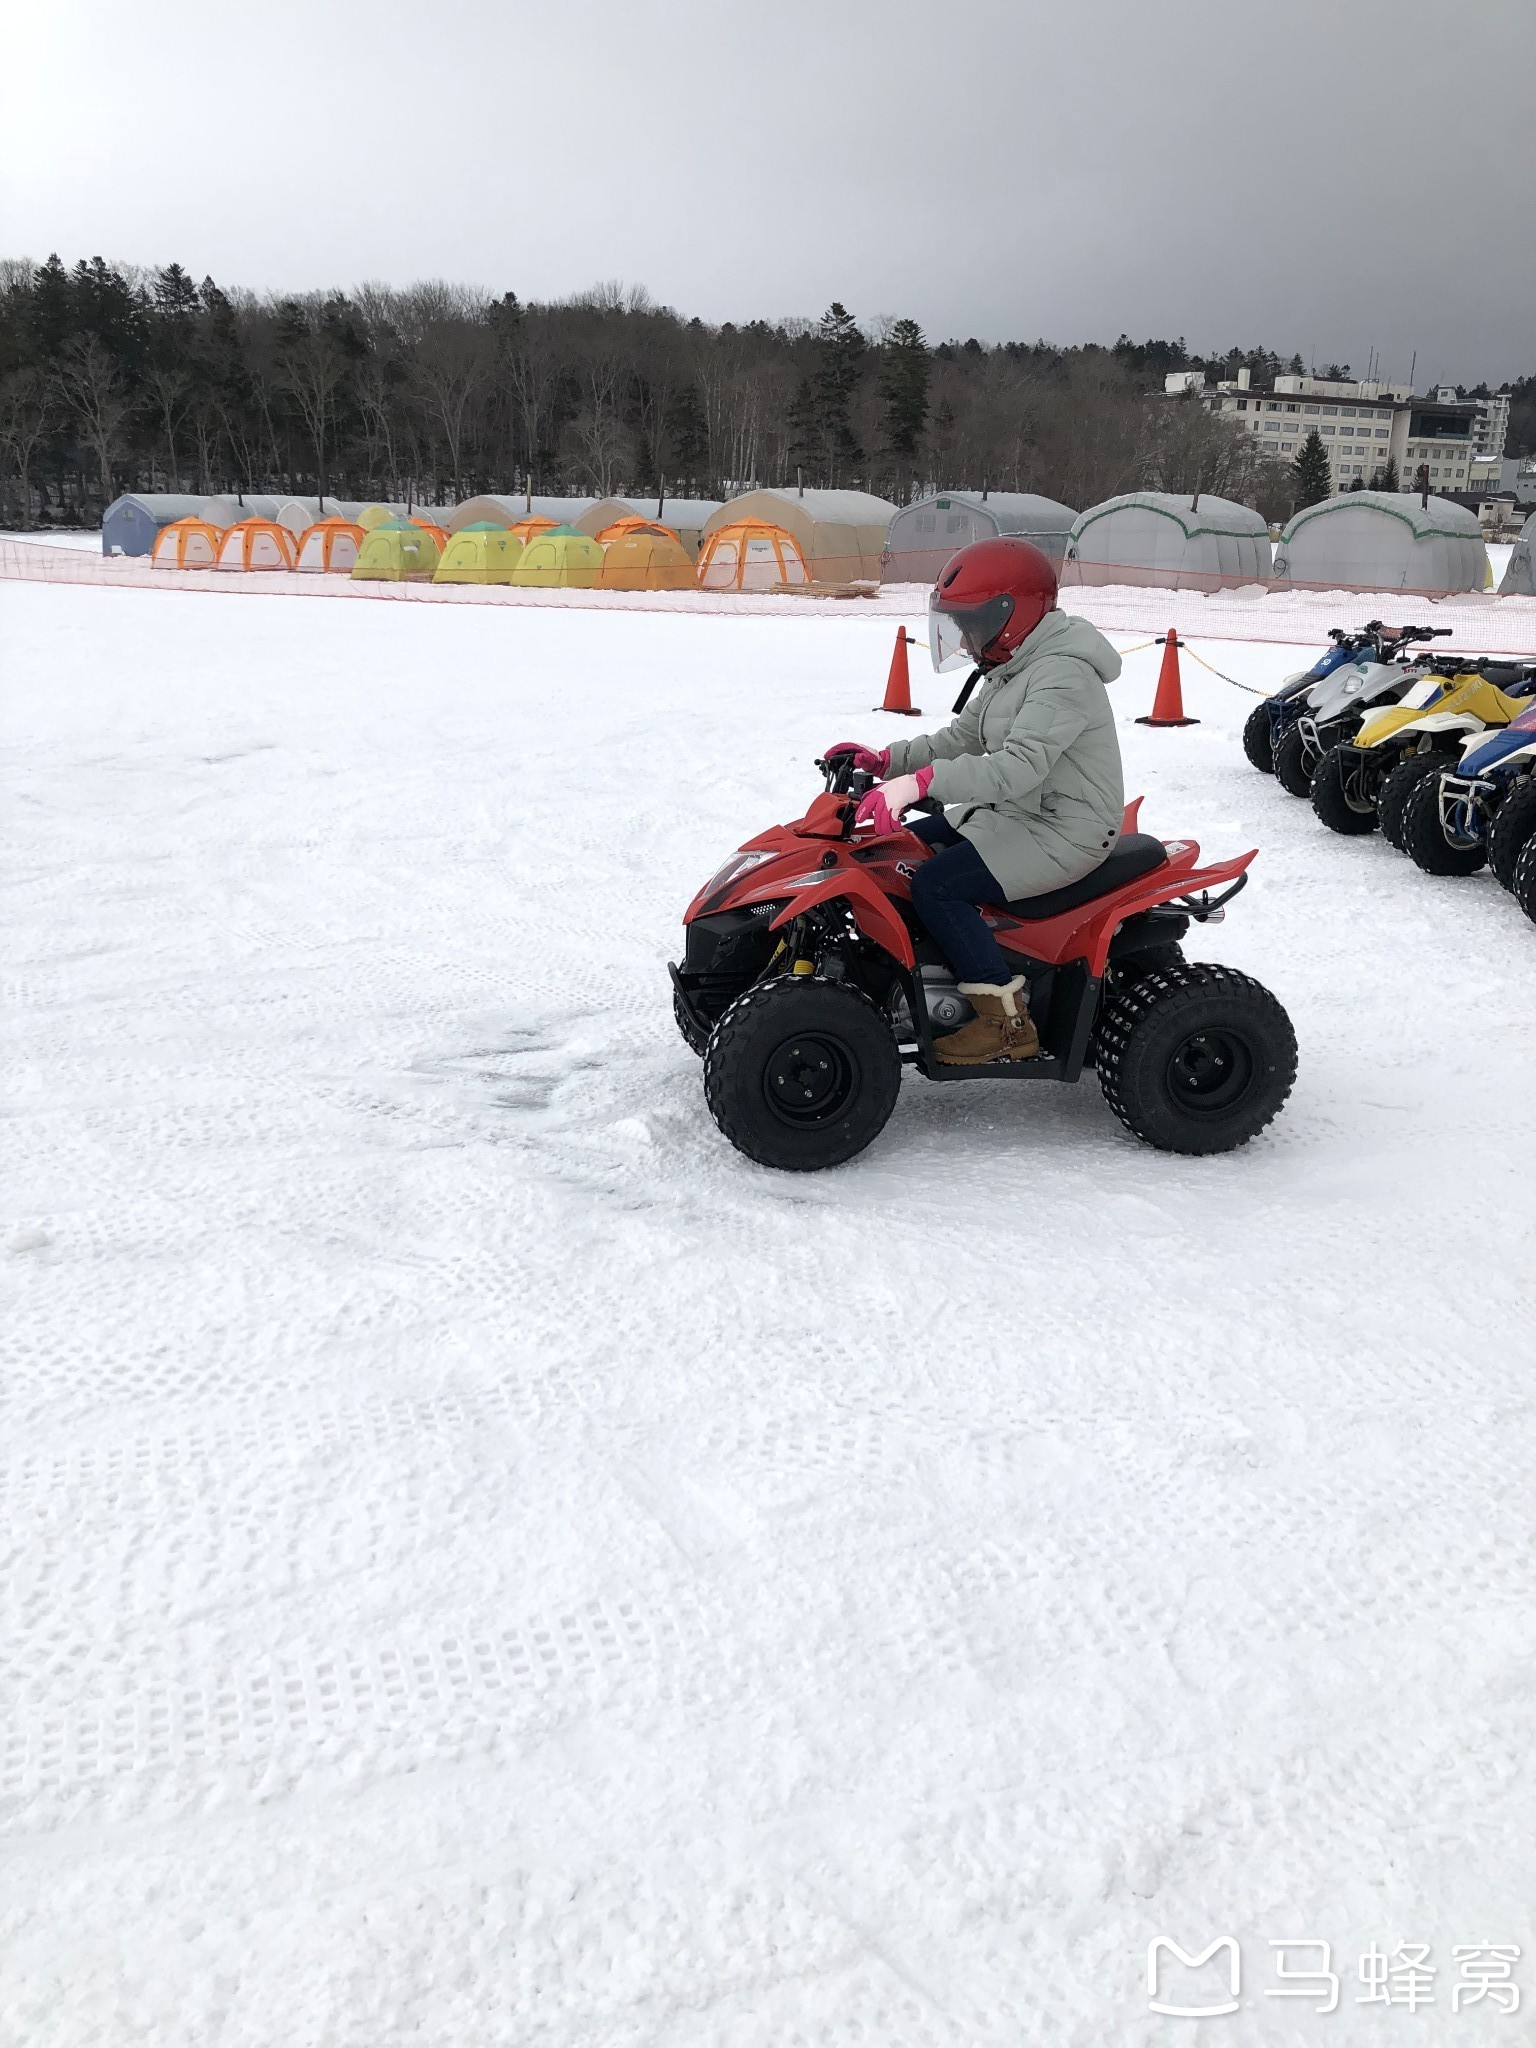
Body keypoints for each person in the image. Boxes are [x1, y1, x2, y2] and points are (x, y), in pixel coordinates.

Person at [826, 537, 1124, 1065]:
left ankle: (1005, 1024)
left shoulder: (1063, 674)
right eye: (958, 623)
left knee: (939, 888)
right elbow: (963, 738)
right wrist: (886, 762)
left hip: (1063, 829)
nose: (964, 638)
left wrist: (922, 785)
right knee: (902, 850)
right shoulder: (1013, 663)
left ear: (1014, 612)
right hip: (1018, 813)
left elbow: (1015, 769)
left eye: (972, 622)